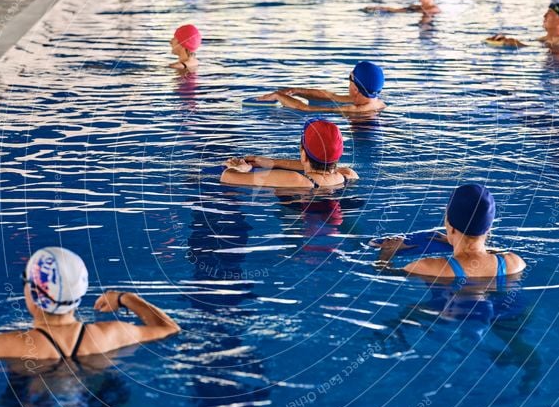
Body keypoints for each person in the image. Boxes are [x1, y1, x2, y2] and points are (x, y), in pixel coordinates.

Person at [0, 247, 181, 362]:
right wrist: (125, 298)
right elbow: (168, 328)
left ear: (32, 292)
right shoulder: (114, 333)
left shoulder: (7, 344)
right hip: (98, 403)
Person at [379, 183, 526, 281]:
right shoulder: (514, 263)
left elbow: (384, 274)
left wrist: (386, 253)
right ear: (489, 227)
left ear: (450, 225)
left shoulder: (427, 267)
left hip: (444, 317)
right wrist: (455, 242)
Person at [220, 118, 358, 189]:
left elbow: (227, 177)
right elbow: (321, 167)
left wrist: (241, 169)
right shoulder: (348, 174)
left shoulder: (296, 180)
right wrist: (274, 162)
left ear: (303, 155)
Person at [255, 61, 386, 115]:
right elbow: (332, 96)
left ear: (356, 89)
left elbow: (306, 109)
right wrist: (297, 91)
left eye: (349, 78)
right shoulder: (374, 101)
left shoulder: (354, 109)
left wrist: (279, 96)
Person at [488, 2, 559, 49]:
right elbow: (531, 45)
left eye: (549, 13)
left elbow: (555, 57)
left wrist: (517, 44)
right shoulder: (545, 39)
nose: (544, 16)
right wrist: (505, 40)